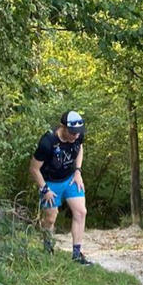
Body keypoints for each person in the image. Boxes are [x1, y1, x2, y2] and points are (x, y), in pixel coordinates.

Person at [30, 111, 92, 264]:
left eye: (78, 133)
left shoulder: (78, 136)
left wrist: (78, 170)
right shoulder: (48, 142)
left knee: (81, 211)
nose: (75, 136)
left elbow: (80, 149)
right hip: (49, 182)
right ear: (63, 127)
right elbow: (33, 168)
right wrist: (45, 189)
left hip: (70, 178)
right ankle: (47, 247)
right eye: (72, 133)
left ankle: (77, 254)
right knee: (51, 218)